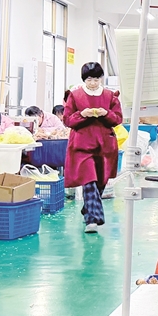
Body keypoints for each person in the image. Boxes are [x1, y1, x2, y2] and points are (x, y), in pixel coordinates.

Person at [63, 62, 123, 233]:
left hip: (105, 146)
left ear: (101, 79)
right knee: (89, 180)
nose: (93, 83)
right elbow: (67, 120)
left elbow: (118, 118)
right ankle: (93, 220)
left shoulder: (110, 96)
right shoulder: (75, 96)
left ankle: (88, 208)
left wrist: (106, 113)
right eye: (89, 79)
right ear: (84, 79)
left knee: (101, 181)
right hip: (82, 146)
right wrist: (81, 114)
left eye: (96, 79)